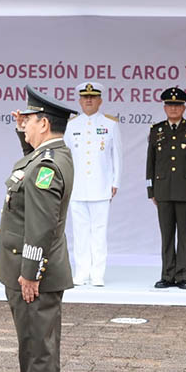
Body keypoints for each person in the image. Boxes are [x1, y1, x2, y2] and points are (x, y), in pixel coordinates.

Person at [0, 85, 76, 372]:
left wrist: (29, 274)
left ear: (44, 124)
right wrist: (19, 133)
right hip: (31, 272)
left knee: (36, 349)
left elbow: (40, 227)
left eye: (28, 120)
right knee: (34, 346)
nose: (23, 124)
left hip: (34, 276)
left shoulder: (48, 166)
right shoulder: (49, 157)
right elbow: (28, 174)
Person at [146, 87, 186, 290]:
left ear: (184, 107)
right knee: (166, 234)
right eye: (169, 105)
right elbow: (150, 162)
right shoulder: (157, 130)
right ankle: (166, 274)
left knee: (184, 234)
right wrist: (151, 190)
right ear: (165, 108)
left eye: (177, 105)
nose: (173, 109)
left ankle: (182, 276)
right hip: (163, 189)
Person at [63, 82, 122, 286]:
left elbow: (117, 156)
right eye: (85, 97)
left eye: (93, 97)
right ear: (80, 101)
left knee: (99, 232)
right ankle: (81, 273)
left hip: (101, 186)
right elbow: (66, 157)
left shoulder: (110, 124)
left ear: (100, 101)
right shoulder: (71, 125)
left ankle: (98, 274)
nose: (89, 100)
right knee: (79, 233)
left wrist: (116, 181)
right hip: (77, 187)